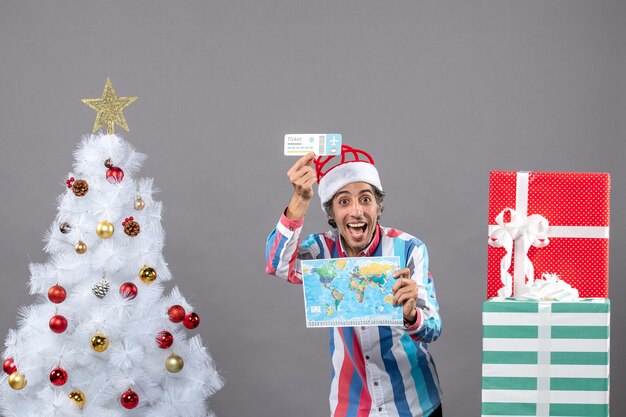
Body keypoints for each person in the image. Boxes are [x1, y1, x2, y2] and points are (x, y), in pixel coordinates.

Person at [265, 145, 442, 417]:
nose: (357, 211)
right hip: (352, 407)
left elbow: (432, 328)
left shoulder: (409, 248)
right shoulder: (322, 251)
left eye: (366, 199)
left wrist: (411, 315)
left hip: (415, 404)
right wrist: (299, 200)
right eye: (344, 201)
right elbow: (278, 264)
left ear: (378, 206)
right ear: (331, 214)